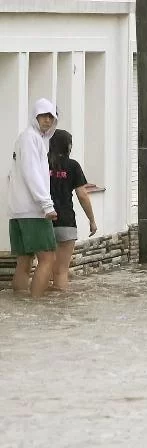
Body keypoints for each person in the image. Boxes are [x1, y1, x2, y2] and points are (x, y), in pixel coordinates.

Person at [7, 98, 59, 298]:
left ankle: (21, 305)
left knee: (24, 258)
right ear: (34, 116)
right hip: (34, 211)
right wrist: (46, 204)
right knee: (47, 258)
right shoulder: (31, 138)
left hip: (18, 210)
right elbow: (31, 173)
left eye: (51, 117)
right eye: (43, 116)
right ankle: (36, 306)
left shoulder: (25, 138)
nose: (48, 120)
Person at [48, 129, 97, 291]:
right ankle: (61, 309)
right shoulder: (72, 165)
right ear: (68, 146)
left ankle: (39, 306)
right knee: (61, 271)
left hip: (43, 221)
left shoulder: (42, 162)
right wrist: (92, 220)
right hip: (66, 221)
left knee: (44, 268)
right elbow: (82, 195)